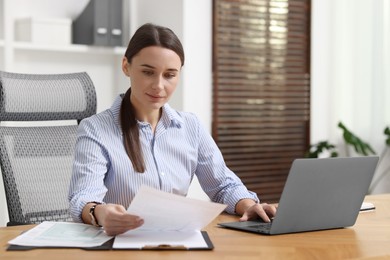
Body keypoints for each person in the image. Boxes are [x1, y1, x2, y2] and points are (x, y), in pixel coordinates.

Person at [68, 23, 276, 236]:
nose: (159, 85)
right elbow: (82, 197)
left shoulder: (190, 127)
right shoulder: (96, 129)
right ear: (126, 66)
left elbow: (223, 185)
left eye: (169, 75)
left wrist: (248, 205)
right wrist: (99, 212)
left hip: (175, 241)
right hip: (120, 243)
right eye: (148, 72)